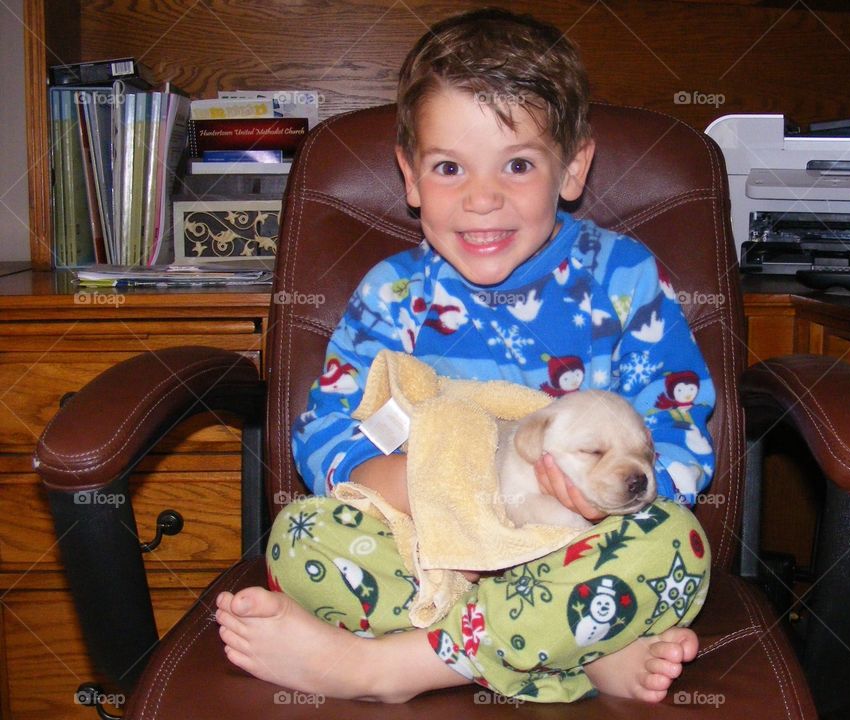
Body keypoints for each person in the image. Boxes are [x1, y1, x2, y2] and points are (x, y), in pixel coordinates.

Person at [216, 7, 714, 704]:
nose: (483, 198)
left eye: (517, 164)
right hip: (432, 549)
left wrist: (614, 499)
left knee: (678, 548)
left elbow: (680, 434)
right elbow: (325, 437)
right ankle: (579, 649)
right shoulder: (392, 294)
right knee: (300, 538)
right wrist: (435, 495)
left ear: (572, 168)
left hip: (580, 547)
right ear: (411, 177)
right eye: (449, 167)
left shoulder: (624, 279)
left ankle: (389, 669)